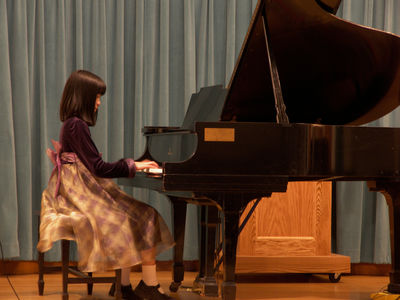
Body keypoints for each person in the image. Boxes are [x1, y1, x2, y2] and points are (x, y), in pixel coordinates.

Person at [37, 70, 175, 300]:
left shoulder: (73, 124)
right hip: (79, 193)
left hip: (81, 188)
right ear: (83, 97)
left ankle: (125, 285)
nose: (99, 102)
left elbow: (94, 166)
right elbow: (99, 168)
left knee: (139, 216)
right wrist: (136, 166)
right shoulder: (76, 125)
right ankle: (147, 285)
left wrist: (133, 166)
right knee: (141, 216)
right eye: (97, 97)